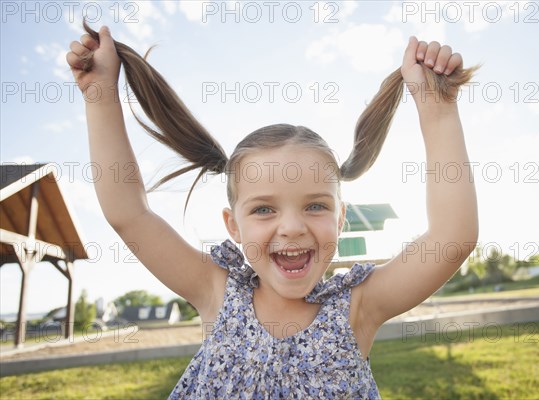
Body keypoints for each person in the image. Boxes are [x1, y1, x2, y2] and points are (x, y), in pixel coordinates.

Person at [66, 23, 478, 399]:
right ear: (234, 226)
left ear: (340, 219)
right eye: (264, 209)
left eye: (316, 205)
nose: (293, 227)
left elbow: (451, 239)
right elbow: (129, 215)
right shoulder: (216, 292)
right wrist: (100, 96)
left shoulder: (358, 308)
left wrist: (437, 109)